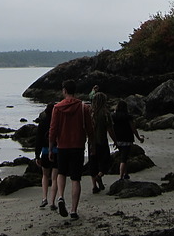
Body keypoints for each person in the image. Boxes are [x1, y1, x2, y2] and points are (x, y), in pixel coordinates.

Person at [49, 79, 94, 220]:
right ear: (75, 90)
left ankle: (61, 196)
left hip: (62, 146)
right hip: (78, 146)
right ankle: (74, 210)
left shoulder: (57, 108)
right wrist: (92, 144)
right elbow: (89, 128)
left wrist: (51, 147)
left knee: (61, 173)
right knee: (76, 179)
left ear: (64, 90)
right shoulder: (83, 107)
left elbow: (53, 129)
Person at [88, 92, 116, 194]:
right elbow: (110, 129)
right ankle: (99, 175)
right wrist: (115, 140)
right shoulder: (105, 113)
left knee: (93, 163)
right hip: (102, 141)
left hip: (91, 142)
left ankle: (94, 186)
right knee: (105, 162)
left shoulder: (89, 112)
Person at [112, 100, 144, 180]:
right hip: (127, 138)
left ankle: (126, 174)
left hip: (118, 138)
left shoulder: (113, 116)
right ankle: (121, 177)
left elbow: (111, 128)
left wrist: (114, 139)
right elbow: (133, 128)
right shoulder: (128, 116)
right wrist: (139, 138)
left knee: (123, 156)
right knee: (124, 158)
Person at [34, 103, 58, 210]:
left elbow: (38, 139)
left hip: (44, 151)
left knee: (45, 175)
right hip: (58, 151)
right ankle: (53, 201)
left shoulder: (42, 123)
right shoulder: (58, 123)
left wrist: (36, 155)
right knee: (55, 178)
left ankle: (44, 198)